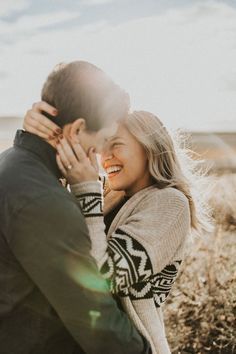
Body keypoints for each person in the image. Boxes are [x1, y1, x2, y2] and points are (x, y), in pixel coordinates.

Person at [24, 106, 210, 353]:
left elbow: (104, 278)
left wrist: (87, 190)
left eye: (116, 145)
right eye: (102, 145)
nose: (105, 155)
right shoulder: (110, 197)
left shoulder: (169, 203)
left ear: (149, 148)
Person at [0, 61, 150, 354]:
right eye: (103, 140)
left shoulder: (12, 164)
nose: (101, 156)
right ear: (78, 128)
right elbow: (97, 321)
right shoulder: (43, 202)